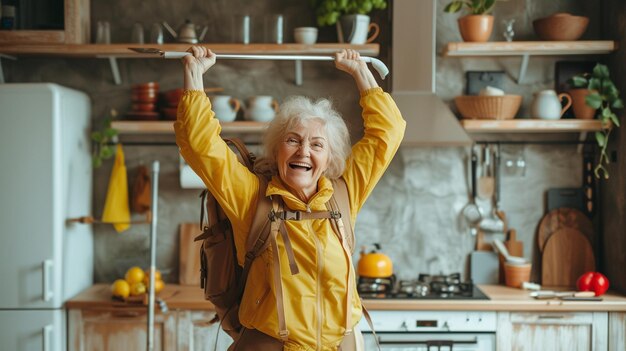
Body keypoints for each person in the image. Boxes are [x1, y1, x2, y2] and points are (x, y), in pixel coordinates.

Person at [174, 46, 405, 350]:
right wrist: (194, 73)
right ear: (277, 150)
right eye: (292, 140)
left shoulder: (344, 192)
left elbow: (387, 132)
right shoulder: (251, 198)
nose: (303, 152)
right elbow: (199, 144)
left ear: (330, 157)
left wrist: (361, 72)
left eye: (317, 144)